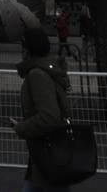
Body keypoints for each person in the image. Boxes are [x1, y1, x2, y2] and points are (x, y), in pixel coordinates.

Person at [10, 27, 72, 192]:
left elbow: (49, 116)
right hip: (47, 152)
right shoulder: (48, 70)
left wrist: (21, 127)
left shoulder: (37, 75)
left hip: (47, 151)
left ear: (27, 50)